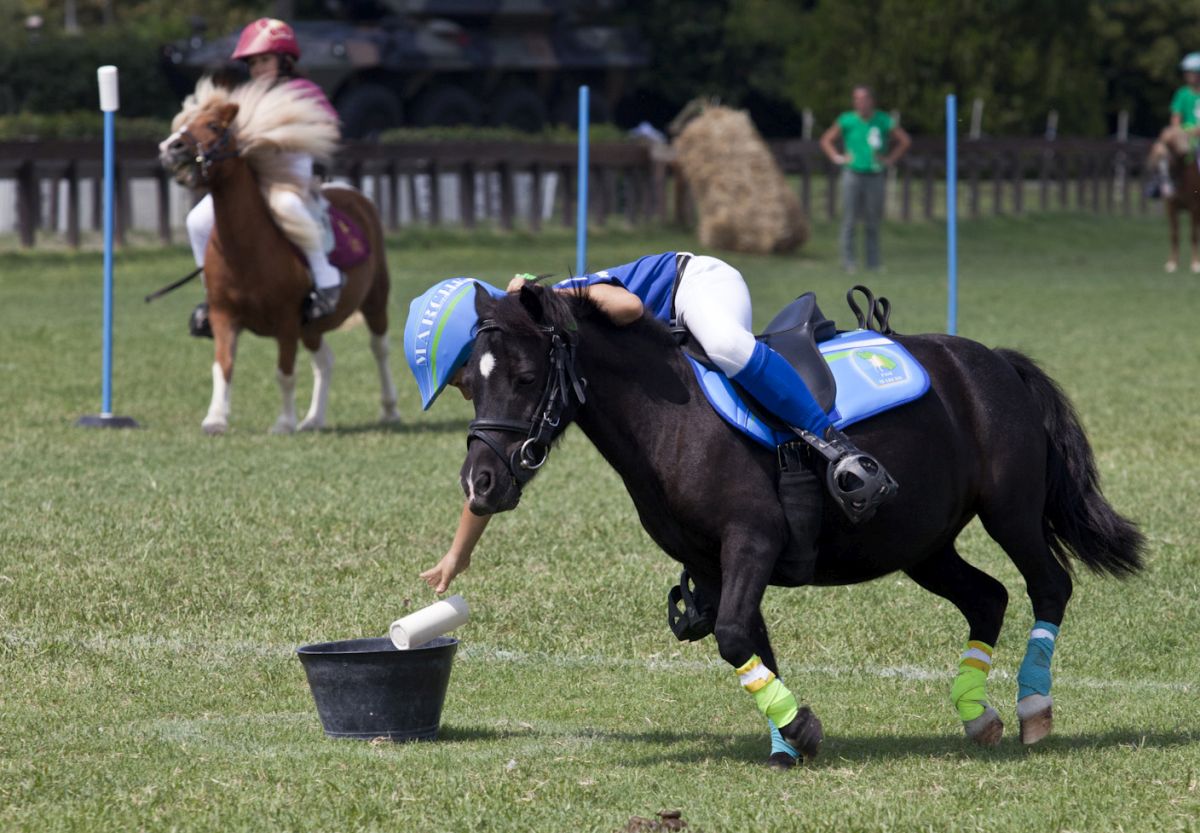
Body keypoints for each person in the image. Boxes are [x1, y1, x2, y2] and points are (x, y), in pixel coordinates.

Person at [407, 255, 898, 594]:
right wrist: (458, 553)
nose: (467, 390)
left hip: (696, 284)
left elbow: (632, 308)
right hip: (659, 342)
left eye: (459, 377)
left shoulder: (555, 307)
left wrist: (560, 291)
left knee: (728, 345)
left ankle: (834, 445)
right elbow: (502, 457)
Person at [186, 18, 343, 337]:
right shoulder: (245, 95)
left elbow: (329, 130)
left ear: (285, 60)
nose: (258, 68)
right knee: (196, 221)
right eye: (253, 62)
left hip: (290, 174)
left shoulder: (305, 91)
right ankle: (212, 295)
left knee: (288, 207)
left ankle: (327, 280)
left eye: (265, 60)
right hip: (253, 178)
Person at [819, 86, 911, 273]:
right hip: (852, 173)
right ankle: (848, 261)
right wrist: (838, 157)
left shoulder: (883, 120)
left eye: (863, 99)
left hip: (875, 174)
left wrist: (890, 159)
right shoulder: (847, 119)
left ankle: (873, 262)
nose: (860, 102)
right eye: (856, 99)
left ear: (871, 100)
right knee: (849, 219)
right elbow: (826, 140)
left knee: (873, 220)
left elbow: (904, 140)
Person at [1150, 52, 1200, 199]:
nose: (1189, 76)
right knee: (1161, 146)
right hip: (1185, 136)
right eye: (1188, 73)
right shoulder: (1182, 93)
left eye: (1192, 73)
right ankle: (1157, 182)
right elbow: (1176, 119)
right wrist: (1179, 132)